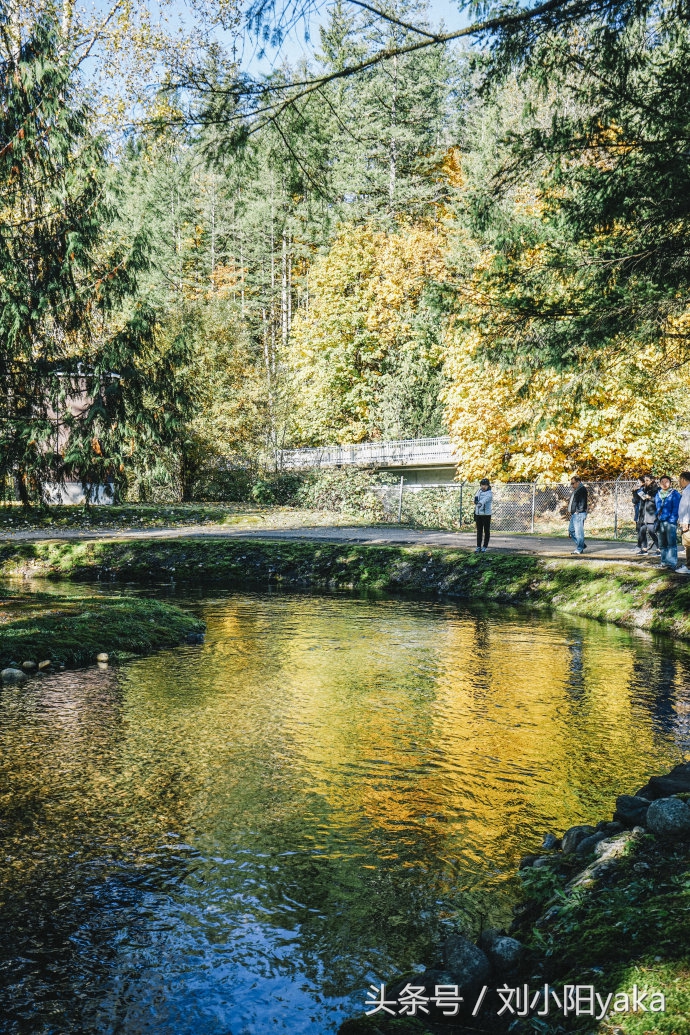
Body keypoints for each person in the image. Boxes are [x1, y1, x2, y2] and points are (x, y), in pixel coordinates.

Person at [654, 475, 681, 570]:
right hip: (660, 521)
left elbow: (676, 508)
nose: (664, 484)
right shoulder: (658, 494)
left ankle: (672, 562)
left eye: (666, 482)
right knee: (662, 543)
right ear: (660, 483)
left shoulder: (675, 494)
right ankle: (664, 562)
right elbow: (656, 507)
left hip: (670, 522)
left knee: (671, 543)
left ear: (670, 483)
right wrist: (657, 516)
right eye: (662, 482)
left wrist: (672, 520)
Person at [636, 474, 660, 554]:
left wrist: (650, 498)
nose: (645, 482)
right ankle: (644, 548)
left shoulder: (657, 489)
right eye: (645, 480)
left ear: (652, 480)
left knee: (651, 531)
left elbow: (658, 501)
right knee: (642, 531)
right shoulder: (643, 489)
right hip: (643, 513)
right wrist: (636, 492)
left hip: (651, 514)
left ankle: (659, 548)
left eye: (647, 480)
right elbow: (636, 500)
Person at [568, 476, 588, 554]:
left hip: (578, 514)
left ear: (578, 482)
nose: (572, 485)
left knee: (578, 532)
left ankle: (579, 549)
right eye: (571, 484)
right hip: (575, 514)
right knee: (571, 530)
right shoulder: (577, 490)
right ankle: (581, 545)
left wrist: (578, 511)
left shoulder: (582, 489)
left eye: (573, 483)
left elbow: (583, 502)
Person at [474, 478, 492, 553]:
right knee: (479, 531)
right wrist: (475, 501)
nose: (483, 486)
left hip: (486, 515)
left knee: (486, 531)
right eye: (482, 485)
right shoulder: (479, 491)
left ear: (488, 486)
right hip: (478, 514)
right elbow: (475, 498)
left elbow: (485, 500)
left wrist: (479, 503)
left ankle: (484, 546)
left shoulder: (489, 493)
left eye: (485, 485)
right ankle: (478, 546)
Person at [677, 471, 690, 575]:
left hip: (688, 522)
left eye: (679, 480)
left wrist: (684, 522)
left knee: (688, 544)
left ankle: (689, 567)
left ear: (683, 479)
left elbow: (685, 507)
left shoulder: (687, 491)